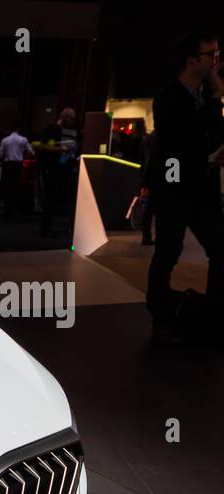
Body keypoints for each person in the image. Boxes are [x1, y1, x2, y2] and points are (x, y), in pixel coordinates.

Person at [146, 31, 223, 331]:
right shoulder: (167, 98)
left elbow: (212, 134)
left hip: (203, 190)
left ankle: (215, 313)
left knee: (220, 250)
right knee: (168, 250)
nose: (217, 61)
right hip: (175, 189)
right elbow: (181, 139)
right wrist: (215, 100)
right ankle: (160, 310)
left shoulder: (205, 97)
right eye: (211, 55)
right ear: (191, 61)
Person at [35, 107, 80, 236]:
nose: (72, 121)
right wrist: (59, 149)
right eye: (70, 118)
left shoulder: (69, 131)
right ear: (63, 117)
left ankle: (49, 227)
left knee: (57, 199)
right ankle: (45, 228)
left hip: (65, 168)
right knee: (50, 198)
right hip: (51, 168)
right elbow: (42, 145)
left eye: (73, 118)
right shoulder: (52, 129)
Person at [0, 127, 33, 218]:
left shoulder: (5, 140)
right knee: (16, 187)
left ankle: (7, 210)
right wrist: (24, 156)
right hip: (18, 165)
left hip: (7, 165)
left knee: (7, 187)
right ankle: (14, 209)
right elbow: (31, 151)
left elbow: (0, 154)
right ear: (18, 129)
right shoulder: (23, 139)